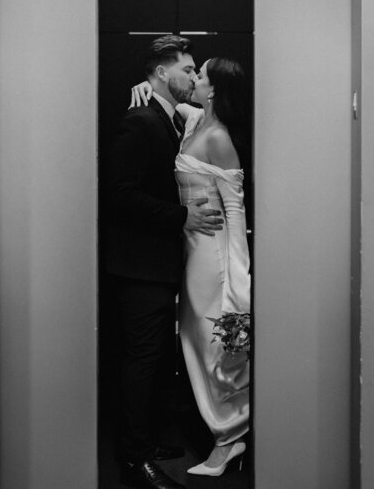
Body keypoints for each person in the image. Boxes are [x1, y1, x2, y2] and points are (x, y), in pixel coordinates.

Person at [105, 35, 224, 489]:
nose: (193, 76)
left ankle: (145, 442)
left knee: (152, 359)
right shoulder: (140, 120)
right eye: (188, 69)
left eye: (196, 72)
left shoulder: (169, 115)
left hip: (158, 264)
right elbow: (120, 195)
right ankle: (134, 462)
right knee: (141, 359)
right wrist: (182, 215)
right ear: (161, 73)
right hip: (138, 266)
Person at [132, 55, 251, 476]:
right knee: (195, 343)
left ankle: (230, 438)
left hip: (212, 253)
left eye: (199, 75)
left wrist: (240, 280)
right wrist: (142, 89)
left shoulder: (218, 136)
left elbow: (235, 212)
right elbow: (167, 99)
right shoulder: (195, 117)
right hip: (187, 247)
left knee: (215, 341)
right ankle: (226, 433)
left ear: (214, 88)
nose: (193, 79)